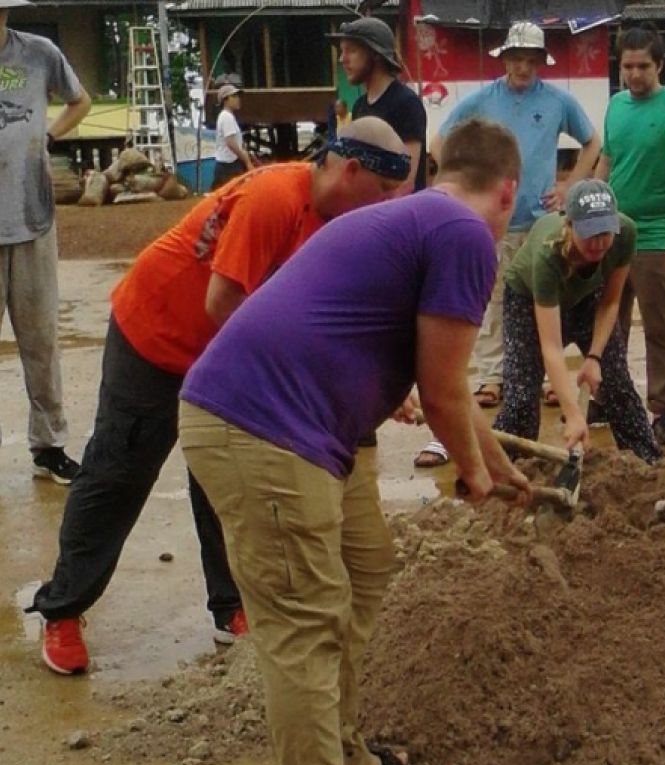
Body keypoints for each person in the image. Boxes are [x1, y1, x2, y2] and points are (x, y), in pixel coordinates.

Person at [179, 119, 530, 765]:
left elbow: (452, 387)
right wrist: (479, 480)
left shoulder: (420, 217)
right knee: (305, 625)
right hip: (264, 429)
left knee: (365, 564)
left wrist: (501, 466)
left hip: (285, 425)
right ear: (509, 192)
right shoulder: (464, 235)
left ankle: (341, 751)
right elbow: (441, 393)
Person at [28, 119, 410, 676]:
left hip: (226, 350)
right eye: (379, 193)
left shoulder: (336, 222)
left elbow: (329, 320)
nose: (380, 209)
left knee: (228, 474)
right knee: (119, 472)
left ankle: (229, 607)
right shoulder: (276, 196)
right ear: (350, 170)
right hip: (158, 335)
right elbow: (223, 301)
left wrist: (377, 384)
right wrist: (288, 376)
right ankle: (62, 609)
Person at [415, 20, 600, 468]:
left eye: (529, 59)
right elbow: (439, 142)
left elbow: (593, 140)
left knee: (541, 299)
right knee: (492, 298)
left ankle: (542, 378)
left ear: (540, 62)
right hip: (492, 219)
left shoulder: (557, 103)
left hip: (540, 221)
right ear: (505, 60)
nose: (521, 66)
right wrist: (466, 188)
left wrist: (571, 185)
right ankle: (492, 375)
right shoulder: (483, 101)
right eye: (515, 58)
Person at [493, 179, 662, 464]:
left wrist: (594, 357)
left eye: (604, 233)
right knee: (521, 394)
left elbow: (610, 303)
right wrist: (573, 414)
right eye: (589, 234)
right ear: (568, 226)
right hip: (526, 299)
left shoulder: (626, 233)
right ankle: (503, 469)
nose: (598, 243)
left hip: (587, 298)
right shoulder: (549, 255)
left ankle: (646, 463)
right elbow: (552, 348)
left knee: (616, 380)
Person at [597, 22, 665, 446]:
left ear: (659, 65)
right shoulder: (615, 107)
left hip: (658, 234)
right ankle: (608, 397)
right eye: (628, 66)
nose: (635, 74)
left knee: (659, 327)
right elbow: (607, 161)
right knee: (609, 322)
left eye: (643, 65)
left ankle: (661, 410)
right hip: (610, 235)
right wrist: (588, 205)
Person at [0, 0, 90, 484]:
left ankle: (49, 446)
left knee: (40, 340)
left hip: (31, 218)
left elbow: (80, 99)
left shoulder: (39, 54)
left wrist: (49, 137)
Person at [330, 16, 426, 193]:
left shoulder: (405, 103)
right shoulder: (359, 106)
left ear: (375, 54)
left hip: (400, 215)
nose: (342, 59)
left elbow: (406, 182)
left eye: (351, 51)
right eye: (342, 52)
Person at [211, 83, 254, 190]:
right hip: (228, 166)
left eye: (237, 96)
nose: (237, 99)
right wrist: (246, 160)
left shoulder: (227, 116)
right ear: (225, 100)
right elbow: (231, 143)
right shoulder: (226, 117)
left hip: (227, 164)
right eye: (233, 96)